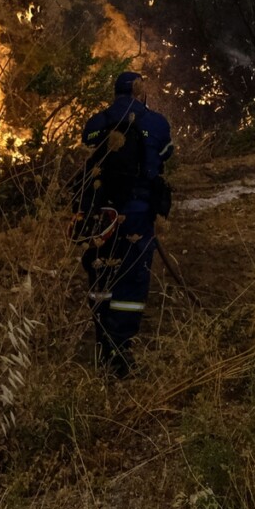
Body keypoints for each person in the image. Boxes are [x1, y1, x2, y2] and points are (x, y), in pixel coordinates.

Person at [74, 71, 173, 376]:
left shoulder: (99, 121)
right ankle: (120, 353)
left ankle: (103, 341)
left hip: (102, 216)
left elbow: (87, 142)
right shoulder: (156, 122)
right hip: (138, 213)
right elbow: (166, 156)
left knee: (101, 271)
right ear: (141, 92)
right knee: (132, 279)